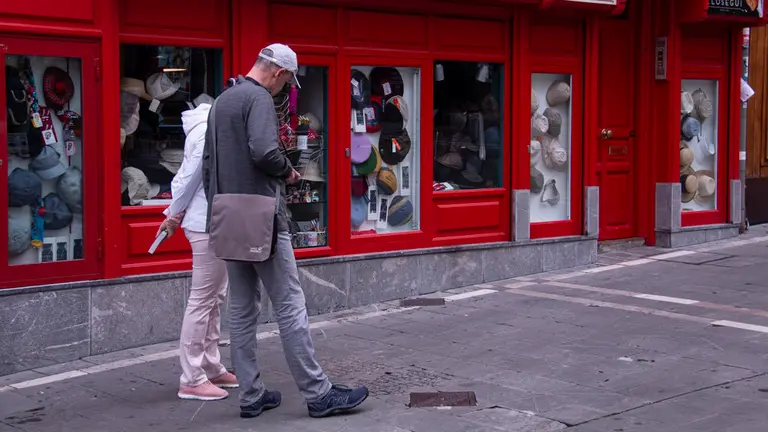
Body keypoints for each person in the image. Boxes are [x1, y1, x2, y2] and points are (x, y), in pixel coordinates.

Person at [202, 43, 369, 419]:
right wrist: (287, 171)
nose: (285, 89)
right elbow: (264, 151)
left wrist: (218, 209)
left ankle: (251, 395)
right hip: (263, 216)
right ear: (278, 73)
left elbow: (207, 165)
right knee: (290, 304)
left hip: (228, 216)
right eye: (287, 82)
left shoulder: (223, 100)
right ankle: (318, 392)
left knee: (242, 309)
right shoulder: (258, 98)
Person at [158, 99, 238, 401]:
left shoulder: (205, 128)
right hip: (206, 221)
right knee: (204, 299)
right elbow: (191, 177)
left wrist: (175, 212)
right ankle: (192, 377)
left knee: (213, 297)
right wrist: (173, 213)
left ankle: (210, 366)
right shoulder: (207, 131)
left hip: (212, 219)